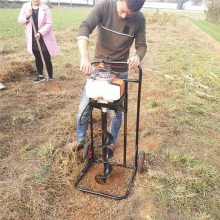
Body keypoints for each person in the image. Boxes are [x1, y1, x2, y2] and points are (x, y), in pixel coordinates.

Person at [75, 0, 147, 159]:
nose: (123, 16)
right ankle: (79, 141)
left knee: (116, 112)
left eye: (129, 14)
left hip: (121, 71)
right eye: (123, 11)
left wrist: (137, 56)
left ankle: (110, 141)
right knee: (84, 107)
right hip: (100, 69)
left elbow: (142, 45)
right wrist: (84, 57)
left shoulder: (139, 19)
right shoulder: (104, 6)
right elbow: (85, 26)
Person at [18, 0, 58, 83]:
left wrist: (40, 33)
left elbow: (49, 23)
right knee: (37, 56)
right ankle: (40, 76)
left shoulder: (45, 7)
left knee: (46, 56)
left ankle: (50, 77)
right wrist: (27, 16)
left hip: (44, 36)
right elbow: (20, 20)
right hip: (32, 36)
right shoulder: (25, 6)